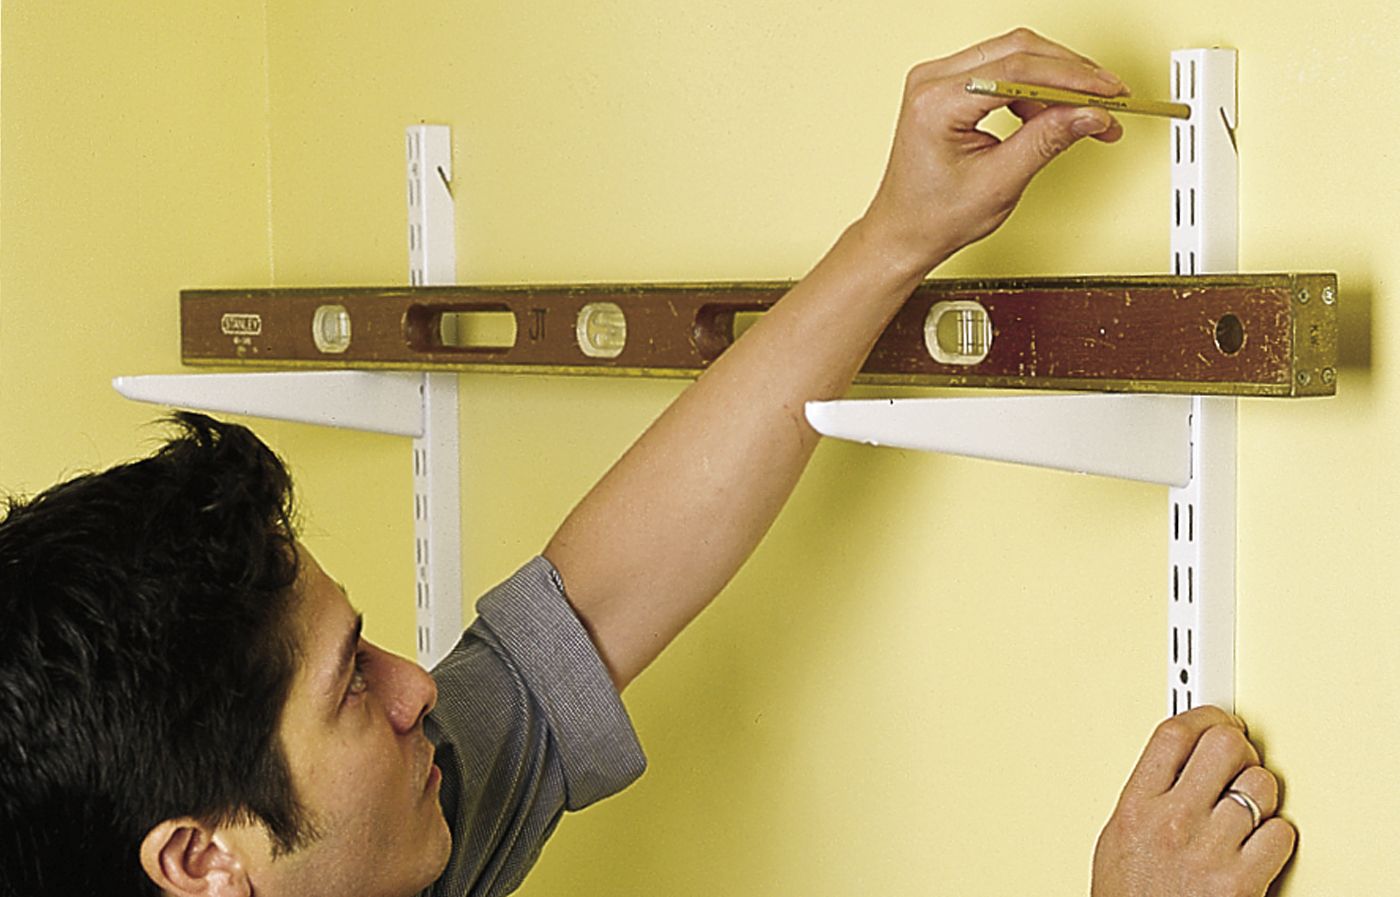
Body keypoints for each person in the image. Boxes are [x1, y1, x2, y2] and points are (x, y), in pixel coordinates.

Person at [0, 29, 1294, 897]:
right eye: (350, 686)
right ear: (204, 860)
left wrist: (895, 235)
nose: (417, 688)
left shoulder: (375, 838)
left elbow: (590, 605)